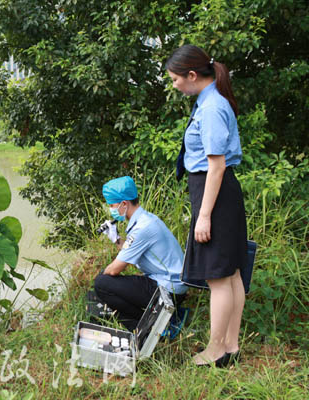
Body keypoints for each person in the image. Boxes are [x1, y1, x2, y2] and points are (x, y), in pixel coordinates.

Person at [166, 44, 247, 367]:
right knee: (230, 275)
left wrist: (203, 216)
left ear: (192, 75)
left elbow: (216, 165)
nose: (174, 85)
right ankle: (230, 346)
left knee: (219, 277)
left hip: (214, 191)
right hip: (219, 191)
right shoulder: (212, 100)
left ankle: (216, 349)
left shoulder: (211, 107)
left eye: (175, 79)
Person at [94, 176, 188, 332]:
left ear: (124, 204)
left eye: (112, 205)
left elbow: (114, 270)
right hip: (169, 283)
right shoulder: (146, 219)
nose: (111, 210)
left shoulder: (143, 227)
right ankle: (149, 319)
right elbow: (129, 252)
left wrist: (103, 281)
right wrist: (116, 239)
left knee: (101, 284)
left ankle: (147, 326)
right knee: (105, 282)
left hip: (169, 290)